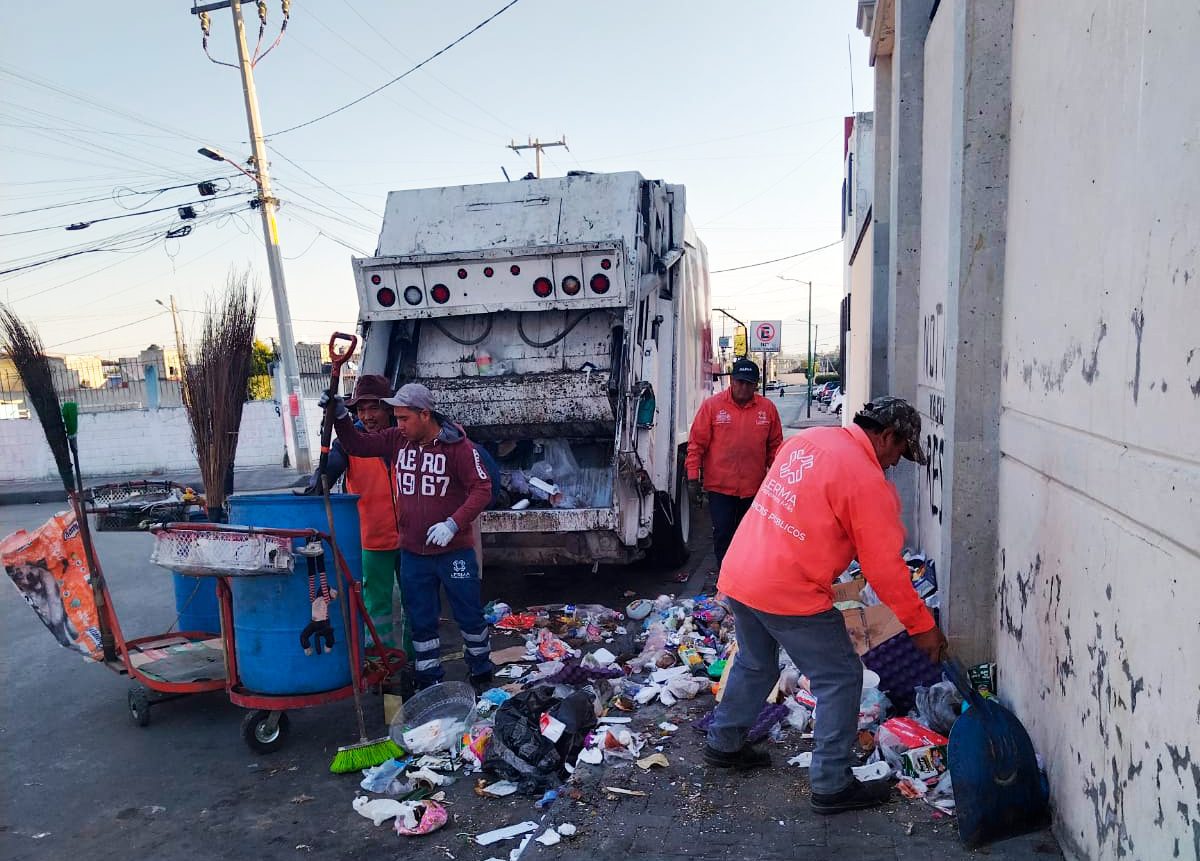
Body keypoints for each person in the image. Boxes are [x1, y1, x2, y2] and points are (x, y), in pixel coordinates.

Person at [703, 396, 949, 815]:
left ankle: (724, 743)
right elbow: (885, 569)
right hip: (787, 588)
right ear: (885, 435)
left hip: (742, 573)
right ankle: (832, 783)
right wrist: (922, 626)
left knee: (755, 663)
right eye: (899, 452)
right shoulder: (866, 479)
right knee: (840, 676)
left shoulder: (809, 441)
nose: (896, 463)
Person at [323, 382, 495, 690]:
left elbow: (482, 489)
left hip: (454, 551)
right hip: (414, 552)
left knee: (469, 615)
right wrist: (340, 418)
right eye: (397, 418)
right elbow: (357, 445)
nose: (398, 424)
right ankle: (429, 681)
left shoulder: (458, 448)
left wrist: (453, 524)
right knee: (421, 620)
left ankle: (481, 670)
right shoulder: (395, 441)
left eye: (404, 418)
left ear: (425, 414)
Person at [304, 374, 408, 654]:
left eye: (373, 407)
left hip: (412, 537)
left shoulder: (405, 436)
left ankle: (414, 660)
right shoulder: (348, 444)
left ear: (388, 407)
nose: (367, 415)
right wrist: (317, 482)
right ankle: (380, 659)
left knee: (416, 602)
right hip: (373, 538)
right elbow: (325, 475)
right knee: (377, 604)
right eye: (361, 410)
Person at [685, 357, 783, 567]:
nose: (743, 388)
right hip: (720, 488)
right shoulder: (712, 407)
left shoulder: (767, 409)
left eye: (749, 383)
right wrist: (693, 478)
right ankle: (725, 580)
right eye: (739, 382)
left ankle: (746, 580)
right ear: (731, 381)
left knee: (750, 536)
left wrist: (778, 481)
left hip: (754, 488)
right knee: (723, 534)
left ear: (756, 384)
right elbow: (696, 445)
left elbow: (775, 448)